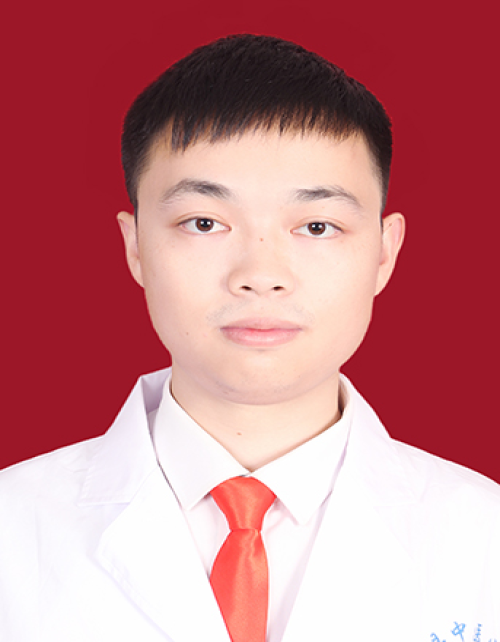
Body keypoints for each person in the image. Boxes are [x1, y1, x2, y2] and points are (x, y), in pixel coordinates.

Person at [0, 34, 498, 642]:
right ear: (136, 247)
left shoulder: (485, 537)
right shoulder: (12, 529)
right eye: (204, 222)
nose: (261, 275)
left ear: (384, 253)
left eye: (317, 226)